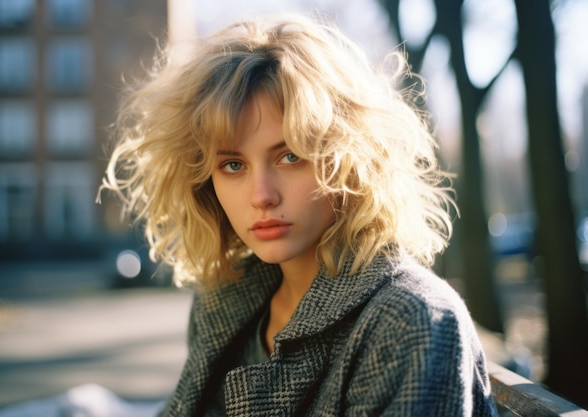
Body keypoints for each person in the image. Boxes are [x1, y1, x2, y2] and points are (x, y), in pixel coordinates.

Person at [100, 12, 500, 417]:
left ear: (348, 160)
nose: (261, 196)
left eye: (290, 156)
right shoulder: (226, 296)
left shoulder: (410, 319)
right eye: (233, 165)